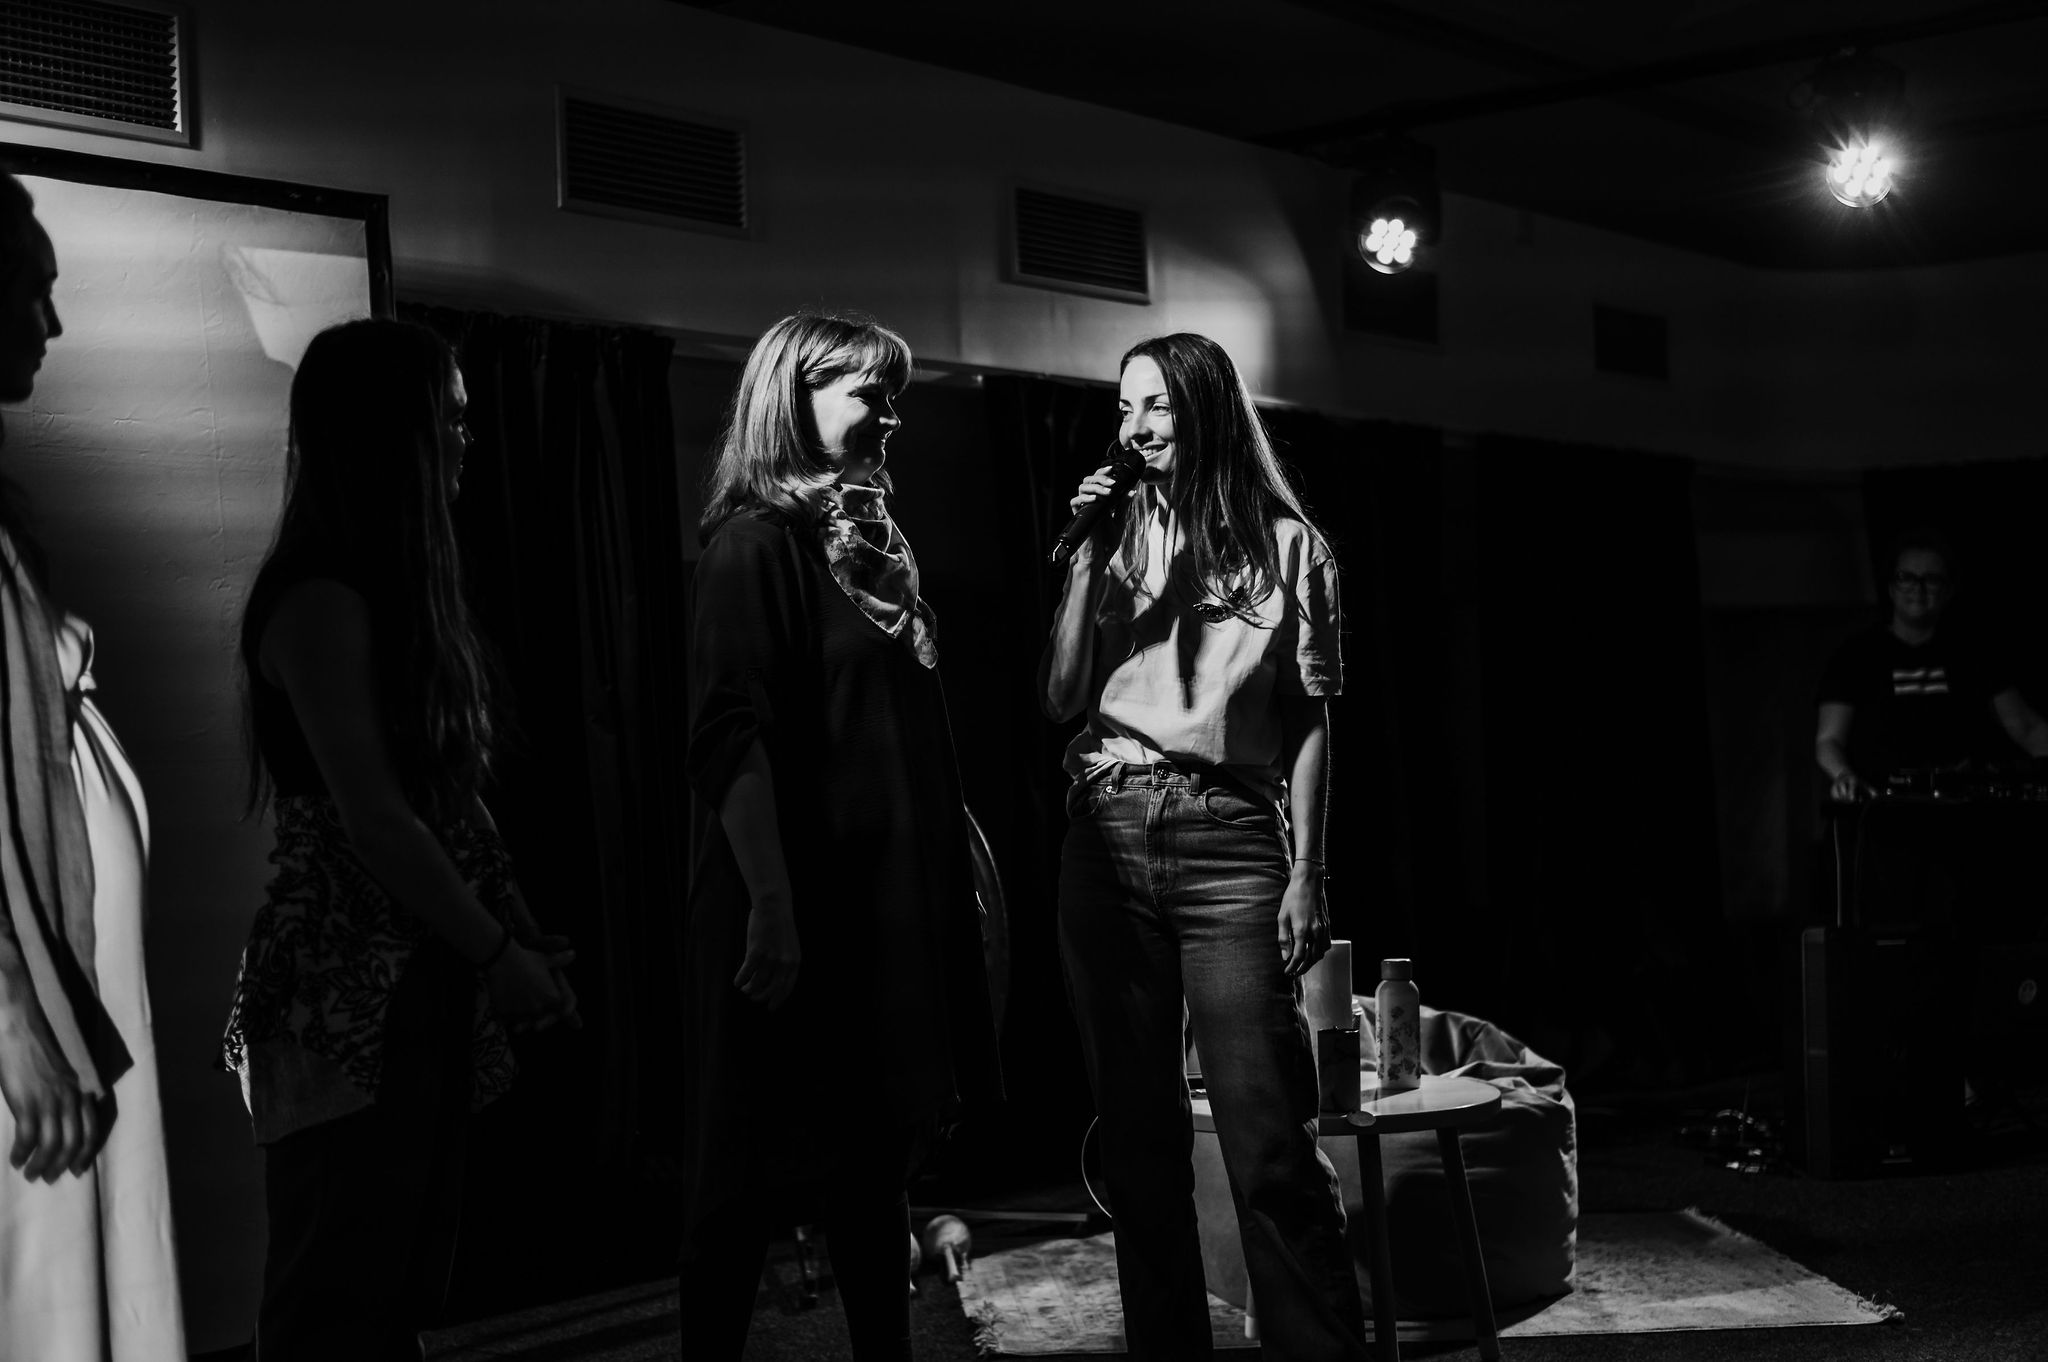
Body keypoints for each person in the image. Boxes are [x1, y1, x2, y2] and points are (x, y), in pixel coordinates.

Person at [218, 317, 578, 1361]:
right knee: (333, 1291)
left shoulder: (385, 596)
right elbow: (376, 818)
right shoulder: (318, 600)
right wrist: (496, 949)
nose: (466, 440)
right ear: (389, 436)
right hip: (345, 992)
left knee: (393, 1284)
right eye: (448, 419)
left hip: (409, 975)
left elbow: (447, 800)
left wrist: (514, 933)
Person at [680, 312, 1001, 1361]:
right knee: (741, 1182)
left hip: (873, 906)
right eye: (869, 392)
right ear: (795, 398)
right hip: (790, 902)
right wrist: (772, 905)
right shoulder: (752, 545)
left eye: (893, 394)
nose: (889, 414)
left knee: (871, 1172)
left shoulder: (869, 550)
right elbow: (730, 738)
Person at [1041, 333, 1366, 1361]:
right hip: (1107, 831)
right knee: (1137, 1146)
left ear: (1207, 410)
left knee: (1267, 1139)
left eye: (1156, 406)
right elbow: (1059, 697)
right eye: (1123, 407)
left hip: (1231, 842)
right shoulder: (1114, 534)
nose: (1134, 427)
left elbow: (1310, 722)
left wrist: (1307, 873)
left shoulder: (1291, 546)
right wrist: (1082, 556)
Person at [0, 171, 187, 1358]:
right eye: (29, 293)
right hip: (23, 991)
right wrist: (15, 1018)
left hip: (69, 961)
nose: (52, 324)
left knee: (93, 1265)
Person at [1815, 530, 2048, 801]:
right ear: (1891, 587)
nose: (1918, 588)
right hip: (1881, 805)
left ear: (1948, 590)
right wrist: (1844, 775)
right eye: (1906, 578)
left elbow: (2025, 726)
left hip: (1960, 804)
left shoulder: (1972, 652)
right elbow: (1829, 740)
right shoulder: (1856, 655)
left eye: (1932, 579)